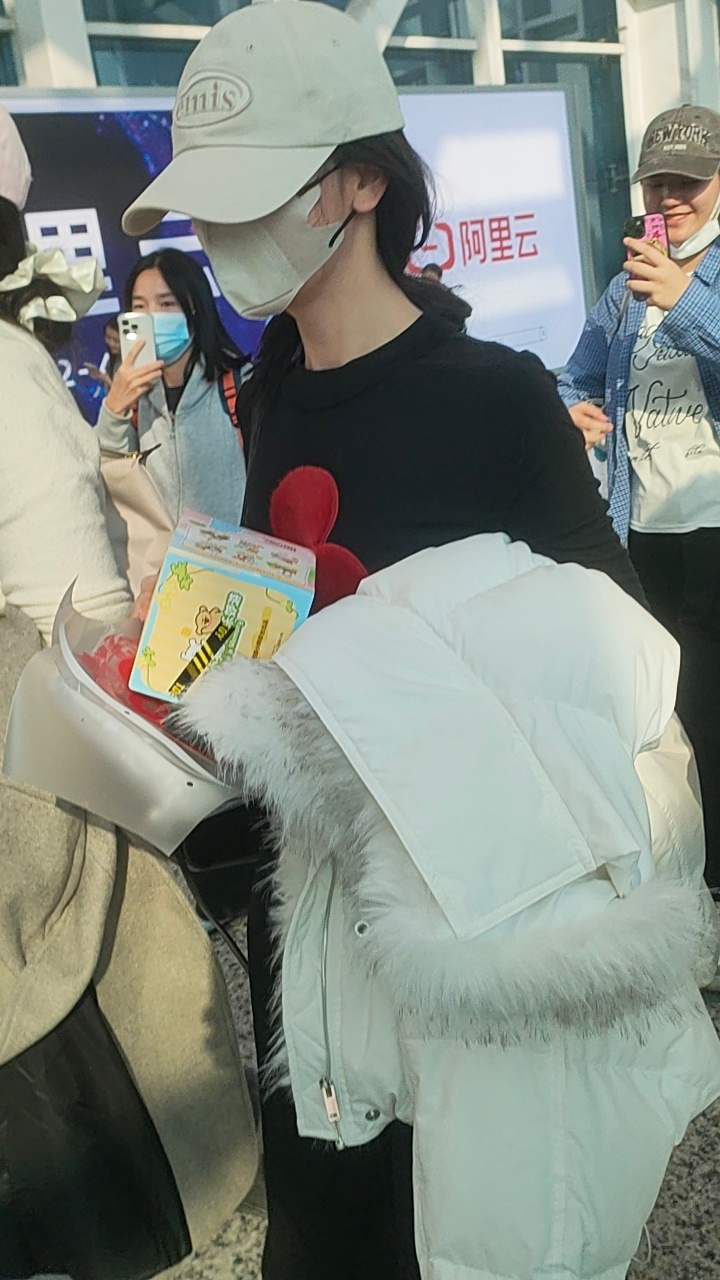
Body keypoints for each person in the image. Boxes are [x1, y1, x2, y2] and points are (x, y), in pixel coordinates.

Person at [124, 11, 720, 1280]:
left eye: (249, 192)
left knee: (459, 1218)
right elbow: (281, 609)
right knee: (323, 1216)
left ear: (359, 183)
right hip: (308, 916)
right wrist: (187, 674)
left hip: (467, 923)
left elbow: (619, 656)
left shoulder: (496, 393)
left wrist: (399, 670)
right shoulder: (272, 387)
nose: (219, 232)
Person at [0, 103, 257, 1279]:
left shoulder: (206, 396)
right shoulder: (40, 382)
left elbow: (93, 588)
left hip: (119, 695)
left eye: (168, 298)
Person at [558, 103, 720, 894]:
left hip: (715, 528)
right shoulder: (626, 289)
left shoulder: (687, 279)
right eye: (658, 182)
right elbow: (574, 374)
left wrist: (684, 297)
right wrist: (572, 411)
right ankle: (689, 883)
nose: (670, 197)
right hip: (644, 531)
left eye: (688, 181)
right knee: (669, 716)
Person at [97, 248, 249, 528]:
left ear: (195, 308)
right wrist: (113, 409)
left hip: (226, 553)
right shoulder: (135, 398)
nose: (152, 316)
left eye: (166, 304)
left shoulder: (240, 385)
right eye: (139, 306)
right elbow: (109, 477)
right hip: (160, 555)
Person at [86, 315, 121, 389]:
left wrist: (105, 378)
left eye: (116, 340)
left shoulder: (137, 363)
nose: (111, 344)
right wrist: (100, 375)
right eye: (108, 338)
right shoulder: (112, 361)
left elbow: (128, 392)